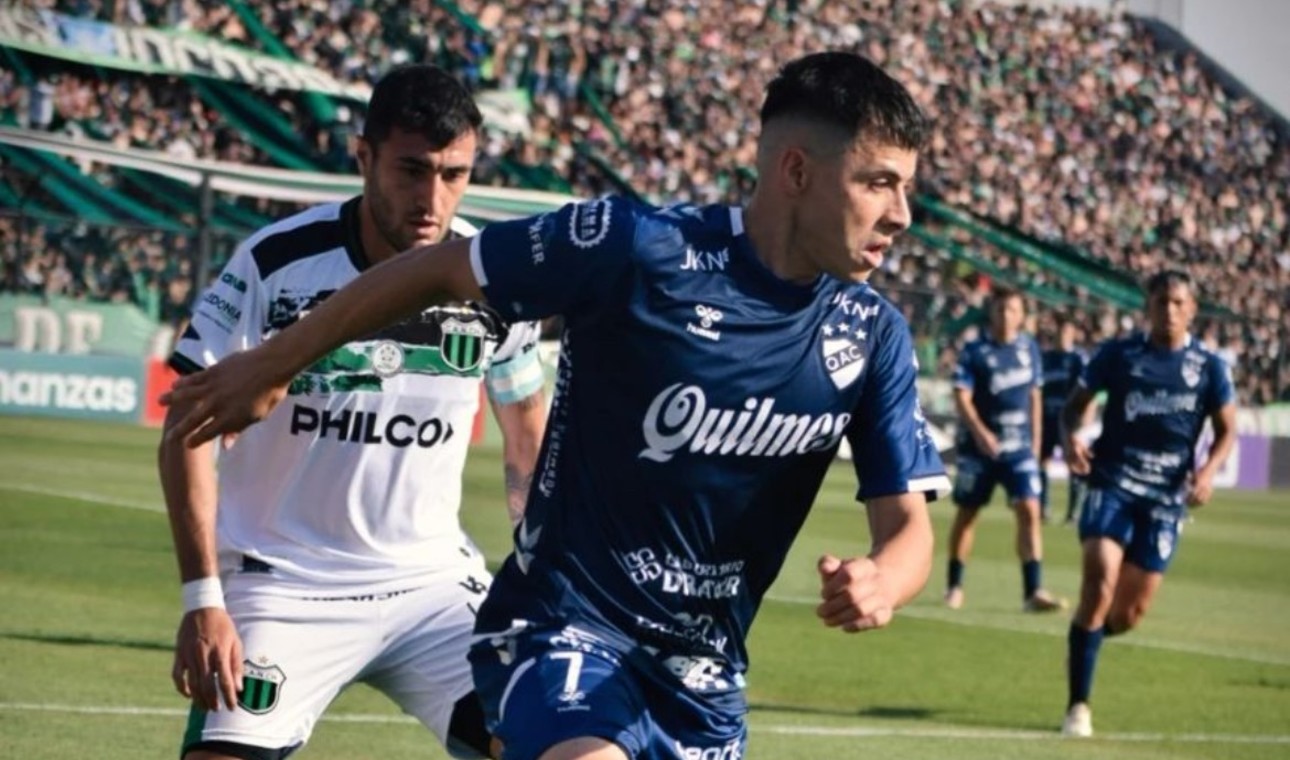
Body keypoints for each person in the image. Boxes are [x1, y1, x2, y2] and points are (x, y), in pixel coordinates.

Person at [161, 51, 950, 760]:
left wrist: (886, 577)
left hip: (691, 672)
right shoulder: (635, 247)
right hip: (556, 627)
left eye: (907, 187)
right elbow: (440, 270)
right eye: (879, 182)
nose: (902, 214)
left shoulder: (872, 335)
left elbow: (909, 527)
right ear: (797, 171)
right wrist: (273, 363)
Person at [157, 64, 547, 760]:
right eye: (412, 170)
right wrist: (201, 600)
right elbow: (186, 429)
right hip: (282, 584)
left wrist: (541, 577)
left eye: (455, 174)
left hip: (432, 587)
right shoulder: (275, 262)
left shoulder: (494, 277)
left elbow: (528, 439)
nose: (434, 199)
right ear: (362, 156)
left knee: (553, 741)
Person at [1059, 270, 1236, 737]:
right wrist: (1070, 437)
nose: (1170, 311)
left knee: (1128, 615)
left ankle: (1086, 640)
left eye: (1179, 303)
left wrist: (1209, 471)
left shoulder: (1210, 367)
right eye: (1161, 302)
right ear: (1148, 307)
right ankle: (1078, 705)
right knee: (1098, 578)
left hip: (1165, 499)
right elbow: (1072, 407)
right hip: (1112, 482)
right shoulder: (1119, 355)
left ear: (1193, 309)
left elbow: (1227, 430)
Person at [944, 286, 1065, 612]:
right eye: (1000, 310)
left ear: (1022, 315)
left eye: (1012, 310)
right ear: (991, 312)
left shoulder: (1029, 348)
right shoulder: (974, 350)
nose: (1006, 316)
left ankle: (1032, 591)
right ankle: (954, 585)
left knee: (1030, 511)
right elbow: (961, 395)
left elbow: (1035, 397)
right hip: (979, 450)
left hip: (1019, 449)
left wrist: (1038, 443)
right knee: (967, 515)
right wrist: (981, 432)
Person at [1039, 315, 1088, 524]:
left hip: (1069, 420)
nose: (1062, 335)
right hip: (1047, 418)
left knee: (1073, 462)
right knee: (1042, 461)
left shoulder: (1078, 359)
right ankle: (1043, 507)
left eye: (1067, 331)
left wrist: (1083, 419)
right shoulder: (1046, 358)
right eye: (1059, 331)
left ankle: (1073, 512)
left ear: (1073, 334)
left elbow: (1087, 392)